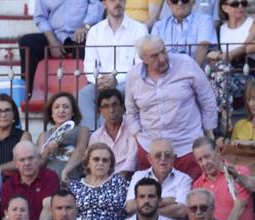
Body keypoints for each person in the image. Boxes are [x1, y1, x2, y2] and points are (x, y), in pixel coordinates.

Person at [125, 36, 217, 180]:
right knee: (151, 198)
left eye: (163, 52)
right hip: (150, 149)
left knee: (189, 198)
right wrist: (137, 135)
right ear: (144, 59)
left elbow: (207, 99)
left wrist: (209, 132)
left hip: (187, 147)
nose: (162, 59)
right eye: (154, 56)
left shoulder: (186, 63)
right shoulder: (133, 76)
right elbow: (131, 112)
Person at [78, 0, 147, 130]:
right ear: (104, 3)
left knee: (110, 96)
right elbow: (89, 64)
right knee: (84, 94)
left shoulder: (139, 29)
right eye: (112, 0)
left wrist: (115, 81)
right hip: (100, 83)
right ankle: (92, 134)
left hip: (127, 83)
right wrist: (98, 80)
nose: (117, 3)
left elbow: (140, 65)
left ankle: (103, 135)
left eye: (121, 0)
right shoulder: (95, 31)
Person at [18, 0, 103, 94]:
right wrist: (52, 41)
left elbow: (96, 5)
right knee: (27, 42)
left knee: (86, 47)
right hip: (55, 36)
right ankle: (27, 93)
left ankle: (88, 93)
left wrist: (86, 26)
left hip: (80, 35)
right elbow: (40, 18)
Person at [205, 0, 255, 132]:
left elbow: (246, 47)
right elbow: (213, 57)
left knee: (218, 76)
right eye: (235, 4)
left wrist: (226, 55)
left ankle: (220, 121)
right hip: (226, 77)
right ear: (224, 7)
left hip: (248, 74)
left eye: (243, 3)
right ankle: (225, 115)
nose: (240, 6)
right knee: (215, 76)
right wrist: (214, 56)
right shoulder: (220, 29)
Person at [192, 137, 255, 220]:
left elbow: (239, 207)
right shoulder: (197, 185)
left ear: (217, 151)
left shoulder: (239, 172)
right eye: (200, 160)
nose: (204, 163)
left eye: (207, 157)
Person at [68, 143, 129, 220]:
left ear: (110, 165)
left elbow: (129, 211)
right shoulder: (75, 186)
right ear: (87, 163)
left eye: (105, 160)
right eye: (96, 159)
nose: (100, 163)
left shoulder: (120, 183)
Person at [125, 138, 192, 220]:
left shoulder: (184, 179)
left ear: (174, 158)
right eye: (158, 155)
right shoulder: (139, 176)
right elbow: (130, 206)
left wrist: (147, 209)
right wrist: (168, 200)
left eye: (167, 155)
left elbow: (182, 211)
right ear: (150, 159)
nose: (163, 159)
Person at [0, 141, 59, 220]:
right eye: (22, 160)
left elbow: (48, 207)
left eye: (30, 158)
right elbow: (6, 218)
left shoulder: (49, 177)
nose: (27, 163)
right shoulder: (8, 186)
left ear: (39, 159)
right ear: (15, 163)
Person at [37, 92, 90, 183]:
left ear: (73, 112)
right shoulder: (43, 135)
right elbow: (39, 163)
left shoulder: (82, 130)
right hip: (50, 182)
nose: (61, 110)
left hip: (74, 180)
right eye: (57, 107)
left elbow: (80, 151)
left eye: (66, 107)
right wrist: (48, 151)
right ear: (51, 113)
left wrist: (65, 171)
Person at [152, 0, 218, 69]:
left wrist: (192, 73)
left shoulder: (204, 20)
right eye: (174, 1)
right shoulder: (159, 26)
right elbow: (154, 51)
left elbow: (203, 47)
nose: (180, 3)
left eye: (184, 0)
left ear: (193, 2)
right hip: (167, 73)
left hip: (196, 72)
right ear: (168, 3)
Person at [88, 89, 138, 178]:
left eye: (114, 105)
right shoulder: (95, 136)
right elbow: (92, 163)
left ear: (122, 107)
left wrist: (117, 182)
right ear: (100, 111)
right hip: (103, 180)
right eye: (106, 106)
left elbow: (132, 159)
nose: (111, 110)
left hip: (130, 178)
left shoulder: (132, 127)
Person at [0, 94, 32, 174]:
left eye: (7, 110)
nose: (3, 115)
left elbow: (24, 161)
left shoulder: (23, 136)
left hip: (15, 184)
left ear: (14, 114)